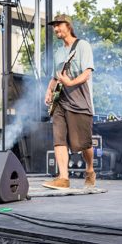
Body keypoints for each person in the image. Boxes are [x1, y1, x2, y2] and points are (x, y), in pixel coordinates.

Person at [42, 14, 95, 189]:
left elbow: (87, 73)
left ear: (68, 26)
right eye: (54, 26)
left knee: (83, 143)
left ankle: (90, 169)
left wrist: (70, 82)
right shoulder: (58, 52)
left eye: (59, 25)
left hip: (79, 100)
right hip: (60, 101)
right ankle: (63, 177)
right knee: (59, 139)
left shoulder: (82, 45)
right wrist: (49, 90)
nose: (56, 28)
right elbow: (55, 76)